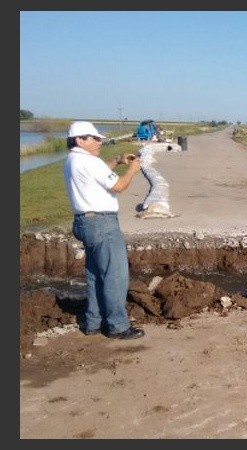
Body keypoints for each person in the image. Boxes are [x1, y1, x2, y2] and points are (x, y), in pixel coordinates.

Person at [62, 121, 145, 339]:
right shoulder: (90, 162)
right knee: (115, 275)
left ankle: (93, 322)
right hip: (102, 223)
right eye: (94, 138)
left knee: (95, 275)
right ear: (80, 140)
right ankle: (118, 325)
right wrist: (132, 170)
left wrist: (117, 160)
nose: (99, 141)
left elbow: (99, 174)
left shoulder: (73, 160)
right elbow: (118, 185)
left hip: (83, 222)